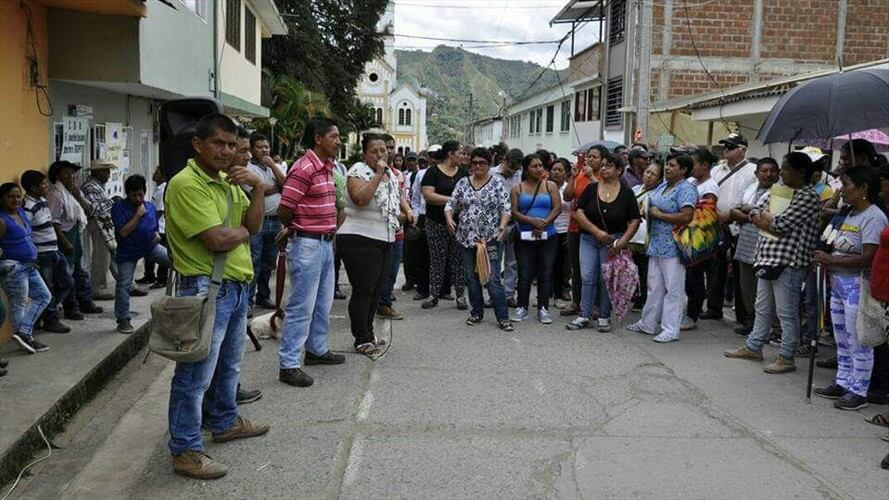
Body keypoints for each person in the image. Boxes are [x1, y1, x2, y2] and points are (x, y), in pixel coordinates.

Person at [164, 113, 269, 479]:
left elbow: (253, 226)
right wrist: (238, 229)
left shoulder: (227, 183)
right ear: (198, 144)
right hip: (205, 288)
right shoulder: (187, 184)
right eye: (218, 143)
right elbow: (217, 239)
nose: (226, 152)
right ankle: (185, 449)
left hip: (234, 286)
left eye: (231, 144)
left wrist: (257, 190)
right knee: (194, 375)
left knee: (229, 366)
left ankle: (224, 421)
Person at [724, 152, 821, 374]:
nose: (781, 173)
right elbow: (757, 209)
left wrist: (762, 218)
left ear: (800, 172)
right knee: (762, 307)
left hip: (789, 261)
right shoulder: (779, 191)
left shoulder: (808, 196)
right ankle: (754, 346)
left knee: (786, 312)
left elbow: (781, 224)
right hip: (767, 256)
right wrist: (763, 217)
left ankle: (787, 356)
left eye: (785, 169)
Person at [278, 117, 346, 388]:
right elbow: (285, 208)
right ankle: (289, 364)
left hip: (326, 243)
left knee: (322, 302)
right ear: (318, 138)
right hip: (307, 243)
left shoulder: (327, 168)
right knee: (301, 305)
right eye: (334, 136)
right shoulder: (304, 168)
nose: (338, 141)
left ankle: (316, 349)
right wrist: (297, 226)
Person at [812, 166, 888, 410]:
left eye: (846, 185)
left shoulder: (874, 217)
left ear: (863, 188)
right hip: (837, 282)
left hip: (858, 284)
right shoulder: (848, 213)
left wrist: (831, 260)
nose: (841, 190)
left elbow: (868, 257)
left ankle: (859, 389)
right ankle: (843, 380)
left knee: (858, 339)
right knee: (842, 337)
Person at [338, 133, 401, 356]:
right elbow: (360, 199)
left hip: (385, 238)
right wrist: (378, 175)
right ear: (365, 155)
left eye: (383, 150)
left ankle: (369, 332)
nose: (380, 155)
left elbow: (395, 201)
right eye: (374, 151)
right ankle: (361, 338)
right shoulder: (358, 171)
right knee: (363, 290)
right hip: (359, 238)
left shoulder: (391, 176)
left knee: (377, 290)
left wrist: (407, 211)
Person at [627, 153, 697, 343]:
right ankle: (647, 323)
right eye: (667, 165)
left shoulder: (686, 188)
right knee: (654, 286)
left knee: (673, 288)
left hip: (674, 245)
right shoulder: (665, 185)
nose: (667, 168)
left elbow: (686, 216)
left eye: (672, 166)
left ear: (683, 170)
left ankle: (670, 329)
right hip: (656, 243)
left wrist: (659, 215)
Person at [568, 152, 640, 332]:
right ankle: (584, 314)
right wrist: (596, 232)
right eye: (603, 165)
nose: (604, 168)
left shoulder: (626, 193)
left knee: (606, 278)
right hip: (588, 238)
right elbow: (579, 212)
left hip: (612, 242)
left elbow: (634, 220)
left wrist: (621, 242)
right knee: (587, 276)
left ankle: (604, 316)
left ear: (619, 170)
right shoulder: (592, 189)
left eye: (609, 165)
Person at [445, 147, 513, 331]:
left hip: (489, 239)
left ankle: (503, 317)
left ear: (488, 164)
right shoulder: (463, 183)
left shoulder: (497, 183)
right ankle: (476, 312)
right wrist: (449, 218)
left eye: (482, 162)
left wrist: (502, 224)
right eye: (474, 162)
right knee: (471, 277)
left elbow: (506, 208)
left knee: (492, 278)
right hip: (466, 239)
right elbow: (450, 204)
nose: (478, 166)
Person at [703, 134, 757, 325]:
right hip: (717, 223)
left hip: (741, 225)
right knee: (715, 268)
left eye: (731, 147)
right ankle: (713, 307)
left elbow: (755, 198)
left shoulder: (753, 171)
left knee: (741, 272)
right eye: (725, 147)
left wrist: (734, 214)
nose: (726, 150)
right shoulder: (717, 170)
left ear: (742, 150)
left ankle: (744, 315)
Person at [112, 175, 169, 334]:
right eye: (134, 195)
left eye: (140, 195)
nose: (137, 199)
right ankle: (123, 318)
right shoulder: (119, 208)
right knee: (124, 284)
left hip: (149, 247)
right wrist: (138, 215)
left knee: (176, 261)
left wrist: (156, 234)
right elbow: (123, 232)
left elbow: (154, 226)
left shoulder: (149, 206)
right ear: (127, 194)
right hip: (128, 252)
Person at [47, 160, 103, 319]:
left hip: (75, 234)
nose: (71, 177)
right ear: (58, 176)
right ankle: (71, 307)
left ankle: (85, 302)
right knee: (67, 274)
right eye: (67, 173)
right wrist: (65, 242)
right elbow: (54, 222)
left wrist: (79, 196)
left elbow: (90, 210)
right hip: (64, 237)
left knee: (80, 271)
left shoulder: (73, 193)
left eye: (73, 174)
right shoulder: (56, 195)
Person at [729, 158, 779, 337]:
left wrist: (749, 211)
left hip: (765, 247)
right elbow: (734, 211)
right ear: (756, 173)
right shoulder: (750, 189)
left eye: (772, 171)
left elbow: (770, 219)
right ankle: (751, 322)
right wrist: (751, 214)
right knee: (747, 289)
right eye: (764, 171)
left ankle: (767, 327)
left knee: (764, 292)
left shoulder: (780, 193)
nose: (768, 174)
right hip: (746, 244)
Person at [510, 153, 561, 324]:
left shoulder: (550, 186)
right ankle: (522, 306)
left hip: (548, 235)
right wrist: (531, 221)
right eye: (534, 166)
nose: (539, 169)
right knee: (524, 272)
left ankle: (543, 308)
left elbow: (557, 207)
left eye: (541, 166)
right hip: (524, 236)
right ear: (526, 169)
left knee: (545, 272)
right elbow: (514, 212)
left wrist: (544, 223)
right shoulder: (517, 188)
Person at [0, 182, 51, 353]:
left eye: (18, 196)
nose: (15, 199)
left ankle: (23, 333)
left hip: (29, 265)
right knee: (19, 304)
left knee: (44, 296)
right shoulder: (2, 219)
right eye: (10, 197)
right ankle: (26, 337)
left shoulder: (21, 212)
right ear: (2, 199)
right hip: (13, 267)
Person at [21, 170, 73, 334]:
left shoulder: (43, 201)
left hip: (53, 250)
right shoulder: (28, 207)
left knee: (67, 282)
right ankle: (51, 319)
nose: (46, 187)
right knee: (47, 288)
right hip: (42, 254)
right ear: (33, 188)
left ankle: (45, 309)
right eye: (43, 185)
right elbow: (26, 231)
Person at [421, 140, 468, 310]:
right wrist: (453, 200)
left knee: (458, 261)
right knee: (437, 260)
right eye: (460, 153)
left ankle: (461, 296)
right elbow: (429, 195)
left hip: (460, 224)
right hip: (436, 222)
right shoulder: (432, 172)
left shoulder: (463, 173)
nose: (463, 156)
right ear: (450, 154)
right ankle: (433, 295)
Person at [243, 133, 285, 312]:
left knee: (269, 262)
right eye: (260, 147)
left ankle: (263, 296)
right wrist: (274, 187)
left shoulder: (271, 168)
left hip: (275, 221)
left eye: (266, 147)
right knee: (254, 260)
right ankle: (248, 301)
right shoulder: (248, 169)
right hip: (258, 223)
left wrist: (273, 167)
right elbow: (259, 190)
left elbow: (287, 184)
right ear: (252, 150)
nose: (264, 150)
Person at [681, 148, 720, 331]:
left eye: (693, 164)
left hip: (698, 237)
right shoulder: (690, 181)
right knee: (687, 277)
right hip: (684, 235)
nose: (690, 168)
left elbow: (707, 214)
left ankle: (692, 314)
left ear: (705, 166)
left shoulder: (710, 187)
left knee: (695, 277)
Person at [377, 157, 415, 320]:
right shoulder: (366, 173)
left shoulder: (397, 175)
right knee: (377, 273)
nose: (387, 152)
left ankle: (384, 304)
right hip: (377, 231)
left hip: (397, 231)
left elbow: (401, 196)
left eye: (389, 148)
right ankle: (375, 304)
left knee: (392, 271)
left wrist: (408, 211)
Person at [81, 159, 119, 301]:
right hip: (98, 223)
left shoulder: (97, 186)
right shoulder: (90, 187)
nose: (108, 175)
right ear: (97, 172)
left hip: (104, 223)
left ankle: (126, 282)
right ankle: (97, 288)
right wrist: (113, 203)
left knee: (111, 253)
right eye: (105, 171)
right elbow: (95, 208)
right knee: (101, 256)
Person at [491, 148, 523, 307]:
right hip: (494, 224)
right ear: (504, 161)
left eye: (516, 169)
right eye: (511, 167)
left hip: (513, 223)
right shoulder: (491, 174)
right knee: (494, 260)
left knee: (512, 261)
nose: (512, 171)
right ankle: (493, 294)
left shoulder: (520, 176)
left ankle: (509, 294)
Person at [630, 161, 663, 311]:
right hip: (632, 235)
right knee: (634, 268)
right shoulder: (635, 189)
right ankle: (635, 294)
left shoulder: (660, 194)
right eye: (647, 172)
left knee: (646, 270)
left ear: (659, 179)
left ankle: (644, 299)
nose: (649, 176)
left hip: (648, 237)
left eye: (653, 174)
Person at [138, 167, 169, 289]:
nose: (154, 174)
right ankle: (149, 275)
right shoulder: (157, 189)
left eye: (157, 172)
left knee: (161, 254)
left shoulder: (163, 190)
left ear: (162, 176)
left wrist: (149, 222)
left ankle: (162, 279)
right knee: (149, 252)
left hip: (160, 227)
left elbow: (159, 211)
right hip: (154, 226)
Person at [407, 150, 432, 300]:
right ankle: (422, 289)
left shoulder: (441, 173)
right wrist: (415, 216)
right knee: (422, 255)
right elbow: (415, 197)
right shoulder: (420, 175)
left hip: (439, 217)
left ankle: (442, 289)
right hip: (422, 216)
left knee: (437, 256)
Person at [551, 158, 573, 304]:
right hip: (550, 229)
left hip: (566, 228)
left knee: (565, 263)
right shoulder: (546, 187)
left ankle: (564, 289)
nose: (556, 172)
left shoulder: (569, 188)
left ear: (566, 174)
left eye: (560, 170)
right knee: (551, 262)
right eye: (554, 169)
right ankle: (550, 290)